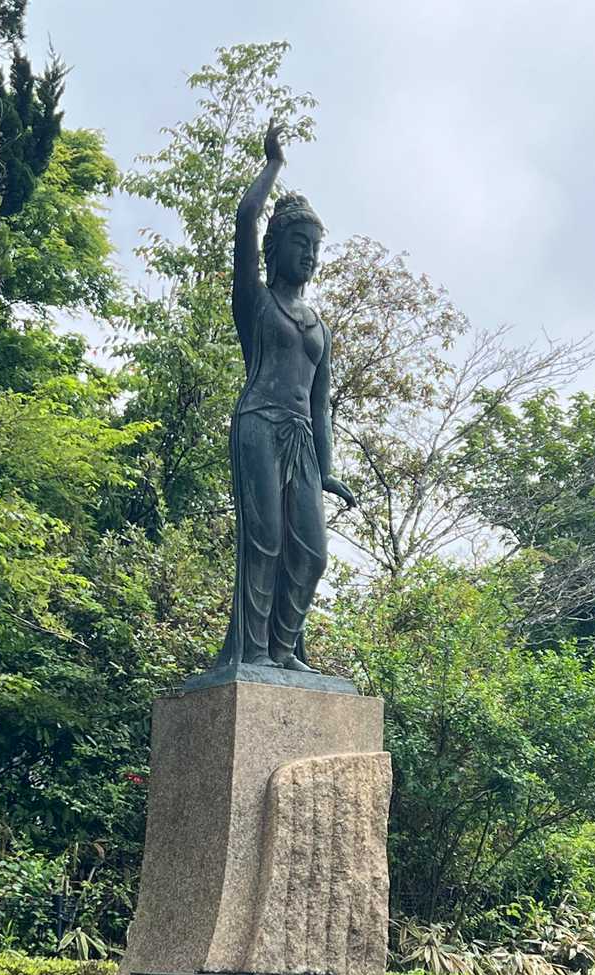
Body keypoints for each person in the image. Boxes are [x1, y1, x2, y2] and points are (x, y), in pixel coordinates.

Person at [214, 118, 355, 673]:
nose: (310, 255)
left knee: (311, 553)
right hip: (258, 425)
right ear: (277, 248)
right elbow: (245, 218)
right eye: (300, 243)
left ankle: (283, 649)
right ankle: (252, 652)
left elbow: (320, 407)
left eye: (315, 247)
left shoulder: (319, 327)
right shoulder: (256, 302)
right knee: (266, 540)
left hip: (301, 440)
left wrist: (327, 470)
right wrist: (273, 165)